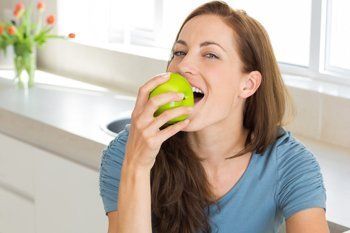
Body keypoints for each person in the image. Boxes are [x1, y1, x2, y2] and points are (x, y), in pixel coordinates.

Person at [99, 1, 328, 232]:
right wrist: (137, 166)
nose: (184, 65)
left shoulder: (289, 164)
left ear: (248, 85)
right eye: (179, 52)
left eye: (210, 54)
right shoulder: (128, 152)